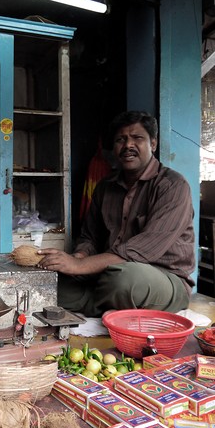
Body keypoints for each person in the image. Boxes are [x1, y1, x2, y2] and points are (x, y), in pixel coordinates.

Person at [37, 110, 195, 317]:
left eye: (137, 138)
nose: (128, 145)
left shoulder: (173, 185)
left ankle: (98, 304)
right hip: (107, 273)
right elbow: (90, 237)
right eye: (121, 139)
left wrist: (80, 265)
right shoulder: (105, 186)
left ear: (153, 144)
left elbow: (143, 250)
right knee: (53, 283)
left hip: (163, 276)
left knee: (123, 280)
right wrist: (78, 256)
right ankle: (111, 308)